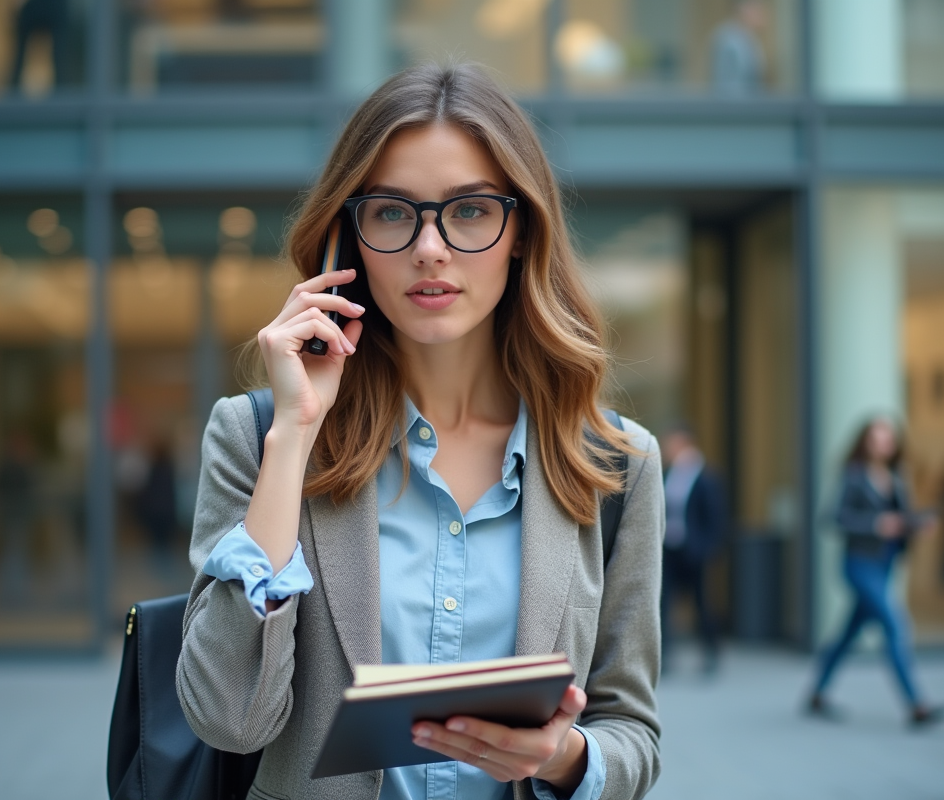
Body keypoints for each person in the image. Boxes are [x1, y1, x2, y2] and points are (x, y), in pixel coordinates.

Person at [175, 63, 664, 800]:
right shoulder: (259, 436)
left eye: (469, 211)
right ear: (349, 240)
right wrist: (294, 440)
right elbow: (229, 719)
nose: (430, 247)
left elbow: (632, 730)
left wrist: (559, 756)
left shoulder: (616, 464)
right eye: (393, 212)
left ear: (521, 231)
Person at [806, 416, 944, 726]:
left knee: (847, 635)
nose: (883, 443)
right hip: (859, 565)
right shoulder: (854, 476)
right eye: (876, 438)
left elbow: (901, 519)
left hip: (885, 565)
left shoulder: (896, 477)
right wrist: (875, 525)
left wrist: (918, 524)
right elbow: (833, 517)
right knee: (895, 626)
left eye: (888, 438)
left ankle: (816, 693)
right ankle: (916, 704)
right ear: (865, 442)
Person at [660, 424, 728, 674]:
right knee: (664, 603)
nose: (668, 449)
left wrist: (708, 550)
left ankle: (711, 652)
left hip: (694, 552)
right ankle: (664, 655)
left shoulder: (707, 476)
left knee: (702, 604)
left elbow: (715, 517)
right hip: (669, 549)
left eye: (672, 443)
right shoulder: (667, 474)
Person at [710, 0, 768, 96]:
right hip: (738, 108)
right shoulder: (728, 40)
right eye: (758, 8)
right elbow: (728, 89)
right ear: (745, 9)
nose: (763, 13)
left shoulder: (749, 39)